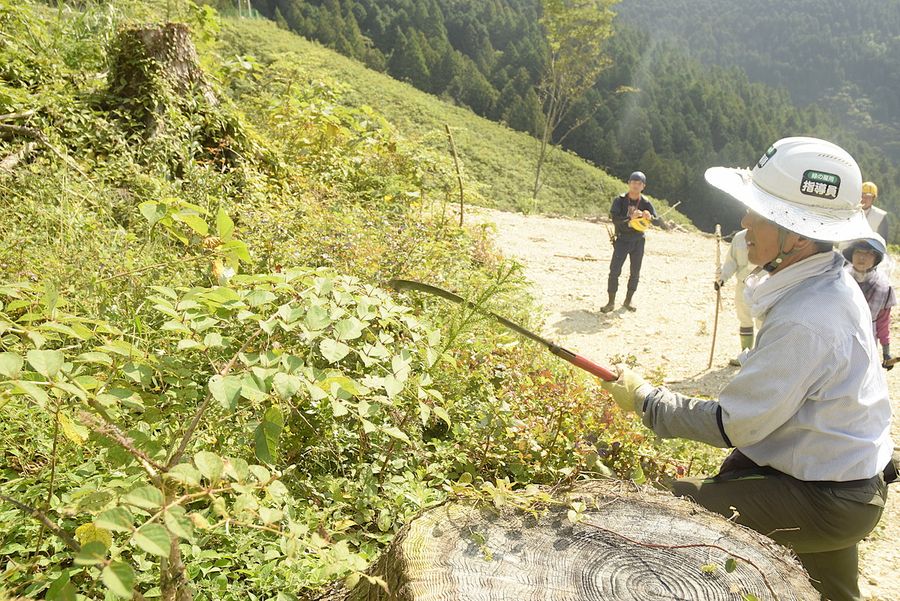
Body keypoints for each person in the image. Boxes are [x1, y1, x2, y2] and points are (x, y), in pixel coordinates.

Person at [600, 137, 893, 601]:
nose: (745, 222)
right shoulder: (827, 282)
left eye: (760, 213)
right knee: (836, 594)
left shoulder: (807, 316)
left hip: (824, 496)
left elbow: (733, 422)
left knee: (661, 508)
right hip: (846, 484)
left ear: (797, 235)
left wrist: (646, 400)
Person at [601, 171, 657, 313]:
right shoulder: (619, 200)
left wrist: (649, 216)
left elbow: (656, 220)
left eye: (639, 183)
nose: (635, 186)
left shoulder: (645, 202)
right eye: (633, 182)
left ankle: (628, 300)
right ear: (628, 183)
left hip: (639, 240)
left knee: (635, 272)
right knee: (614, 271)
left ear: (643, 186)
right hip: (622, 239)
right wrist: (630, 219)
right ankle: (610, 301)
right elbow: (614, 219)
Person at [843, 235, 896, 370]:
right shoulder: (840, 279)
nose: (862, 257)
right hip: (840, 336)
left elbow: (883, 322)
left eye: (868, 254)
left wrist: (886, 352)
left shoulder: (883, 287)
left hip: (867, 339)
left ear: (876, 259)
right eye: (858, 252)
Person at [715, 229, 755, 365]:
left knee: (765, 322)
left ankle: (762, 356)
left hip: (765, 283)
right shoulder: (739, 237)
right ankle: (746, 355)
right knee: (745, 319)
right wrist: (722, 279)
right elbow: (731, 262)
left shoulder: (771, 233)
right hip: (743, 285)